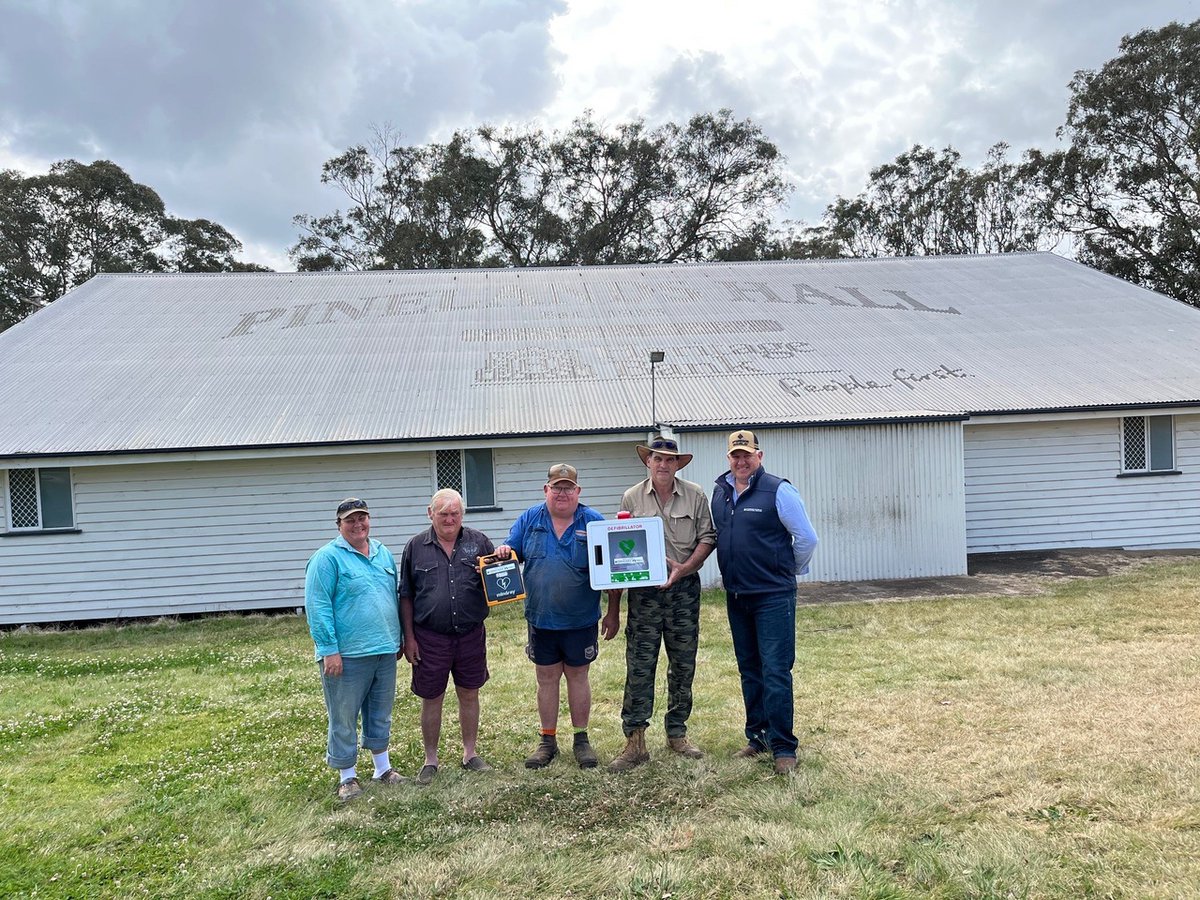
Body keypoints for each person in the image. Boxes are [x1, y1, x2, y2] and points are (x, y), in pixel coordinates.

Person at [603, 434, 716, 771]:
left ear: (677, 464)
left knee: (683, 664)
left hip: (683, 591)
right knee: (640, 666)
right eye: (657, 459)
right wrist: (613, 606)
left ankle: (677, 733)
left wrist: (684, 569)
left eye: (670, 460)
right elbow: (619, 547)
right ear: (647, 462)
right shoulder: (631, 497)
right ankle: (635, 740)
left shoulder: (695, 495)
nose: (663, 465)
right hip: (645, 594)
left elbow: (708, 538)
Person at [710, 430, 819, 776]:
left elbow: (806, 537)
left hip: (772, 596)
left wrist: (790, 568)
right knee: (749, 669)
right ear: (729, 459)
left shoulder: (778, 490)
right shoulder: (721, 492)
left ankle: (784, 746)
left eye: (747, 455)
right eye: (735, 456)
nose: (741, 461)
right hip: (737, 595)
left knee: (775, 670)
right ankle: (757, 737)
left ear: (760, 455)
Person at [496, 463, 604, 769]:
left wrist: (613, 613)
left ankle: (581, 740)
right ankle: (547, 740)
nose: (562, 493)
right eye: (556, 487)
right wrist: (505, 550)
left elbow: (611, 570)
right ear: (546, 490)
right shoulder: (530, 519)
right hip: (541, 619)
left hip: (581, 619)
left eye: (568, 487)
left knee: (579, 677)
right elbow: (511, 549)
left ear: (578, 492)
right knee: (546, 679)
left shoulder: (593, 521)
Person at [305, 497, 406, 801]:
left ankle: (382, 768)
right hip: (346, 655)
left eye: (362, 518)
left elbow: (392, 596)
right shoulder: (327, 559)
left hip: (384, 649)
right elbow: (317, 605)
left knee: (380, 712)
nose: (358, 524)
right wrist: (328, 649)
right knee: (344, 717)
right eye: (350, 520)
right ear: (339, 525)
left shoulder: (382, 553)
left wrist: (398, 638)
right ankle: (347, 776)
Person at [399, 489, 495, 785]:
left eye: (455, 513)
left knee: (469, 692)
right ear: (431, 514)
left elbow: (498, 579)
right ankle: (430, 759)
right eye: (443, 514)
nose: (449, 519)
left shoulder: (479, 542)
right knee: (432, 697)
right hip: (430, 638)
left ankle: (470, 753)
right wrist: (409, 638)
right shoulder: (415, 547)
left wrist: (504, 559)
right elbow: (406, 595)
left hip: (470, 635)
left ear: (462, 515)